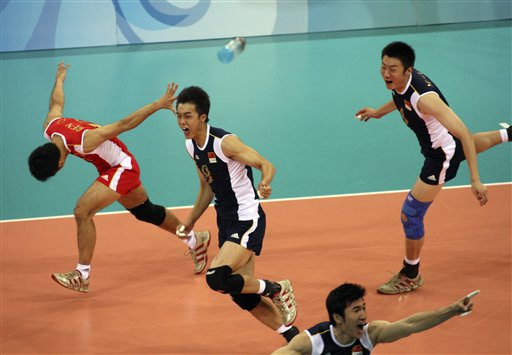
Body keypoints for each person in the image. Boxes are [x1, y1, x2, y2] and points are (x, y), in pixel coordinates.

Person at [28, 62, 211, 293]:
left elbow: (124, 124)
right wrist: (60, 80)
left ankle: (82, 275)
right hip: (108, 168)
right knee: (146, 211)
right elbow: (56, 103)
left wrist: (158, 104)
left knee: (82, 211)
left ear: (61, 164)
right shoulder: (51, 125)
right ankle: (196, 240)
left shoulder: (86, 141)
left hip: (121, 167)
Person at [355, 41, 511, 294]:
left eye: (392, 69)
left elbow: (464, 134)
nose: (386, 73)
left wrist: (475, 179)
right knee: (462, 146)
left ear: (408, 71)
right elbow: (400, 98)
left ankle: (410, 274)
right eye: (383, 67)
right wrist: (378, 113)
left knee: (411, 214)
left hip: (441, 156)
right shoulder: (402, 81)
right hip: (446, 142)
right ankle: (510, 134)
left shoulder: (425, 99)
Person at [173, 86, 299, 342]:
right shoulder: (191, 146)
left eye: (187, 116)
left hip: (247, 217)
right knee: (242, 293)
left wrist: (265, 181)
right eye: (178, 115)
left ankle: (276, 288)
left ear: (203, 117)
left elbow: (265, 163)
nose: (182, 121)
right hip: (226, 220)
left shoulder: (224, 142)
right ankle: (293, 338)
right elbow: (207, 187)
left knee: (216, 277)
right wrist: (190, 221)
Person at [272, 282, 477, 354]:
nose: (363, 314)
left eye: (363, 308)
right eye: (355, 310)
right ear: (338, 318)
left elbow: (412, 324)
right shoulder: (312, 342)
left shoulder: (371, 333)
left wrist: (452, 310)